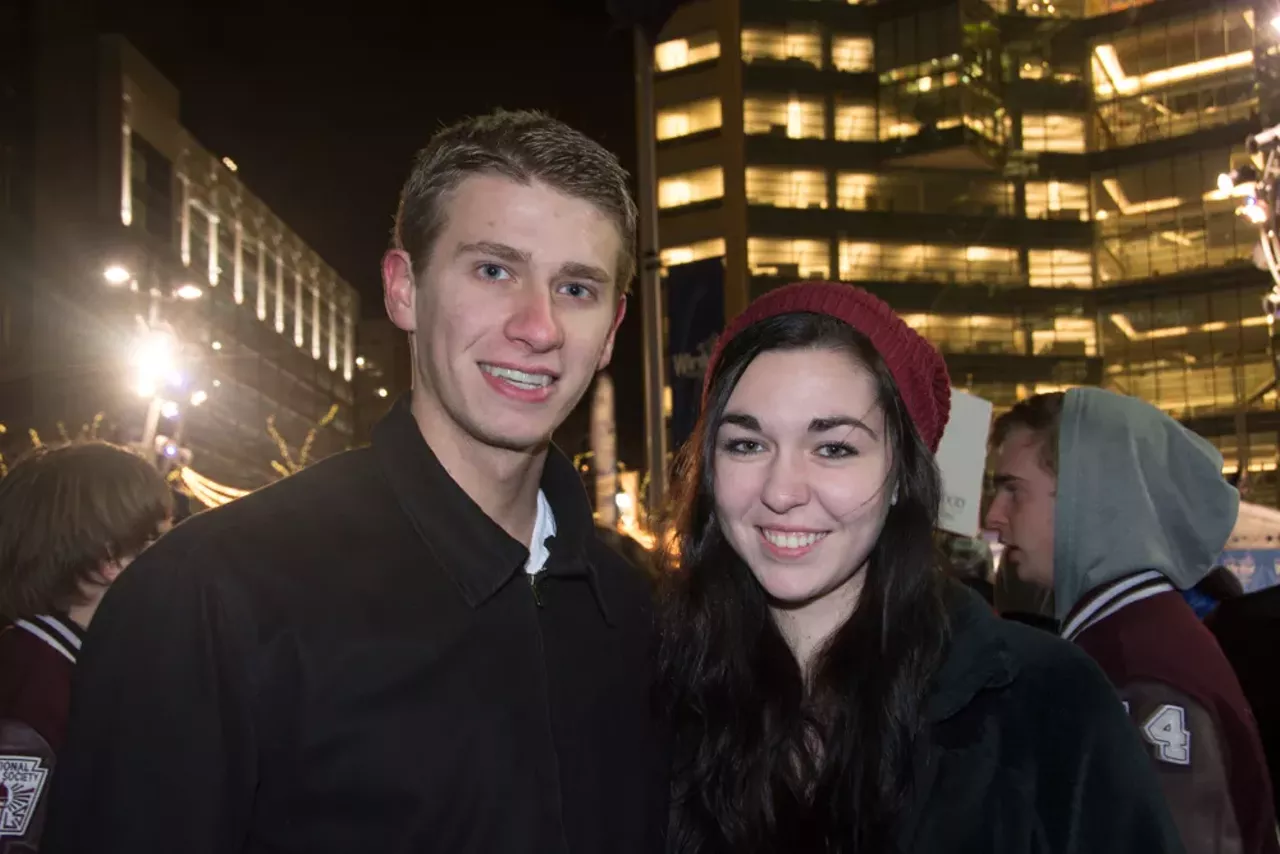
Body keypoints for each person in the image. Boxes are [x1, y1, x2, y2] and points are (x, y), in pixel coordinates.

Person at [42, 110, 667, 854]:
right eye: (494, 270)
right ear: (404, 289)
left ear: (612, 331)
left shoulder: (636, 615)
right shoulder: (209, 597)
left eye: (576, 288)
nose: (538, 326)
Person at [660, 281, 1182, 853]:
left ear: (901, 479)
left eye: (834, 448)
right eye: (746, 445)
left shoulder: (1048, 706)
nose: (782, 491)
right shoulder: (651, 699)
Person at [986, 389, 1280, 854]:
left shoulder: (1137, 669)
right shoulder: (1133, 638)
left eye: (1012, 490)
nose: (993, 516)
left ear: (1088, 498)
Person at [0, 441, 172, 852]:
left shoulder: (73, 666)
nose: (174, 563)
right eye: (161, 542)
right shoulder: (36, 682)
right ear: (109, 558)